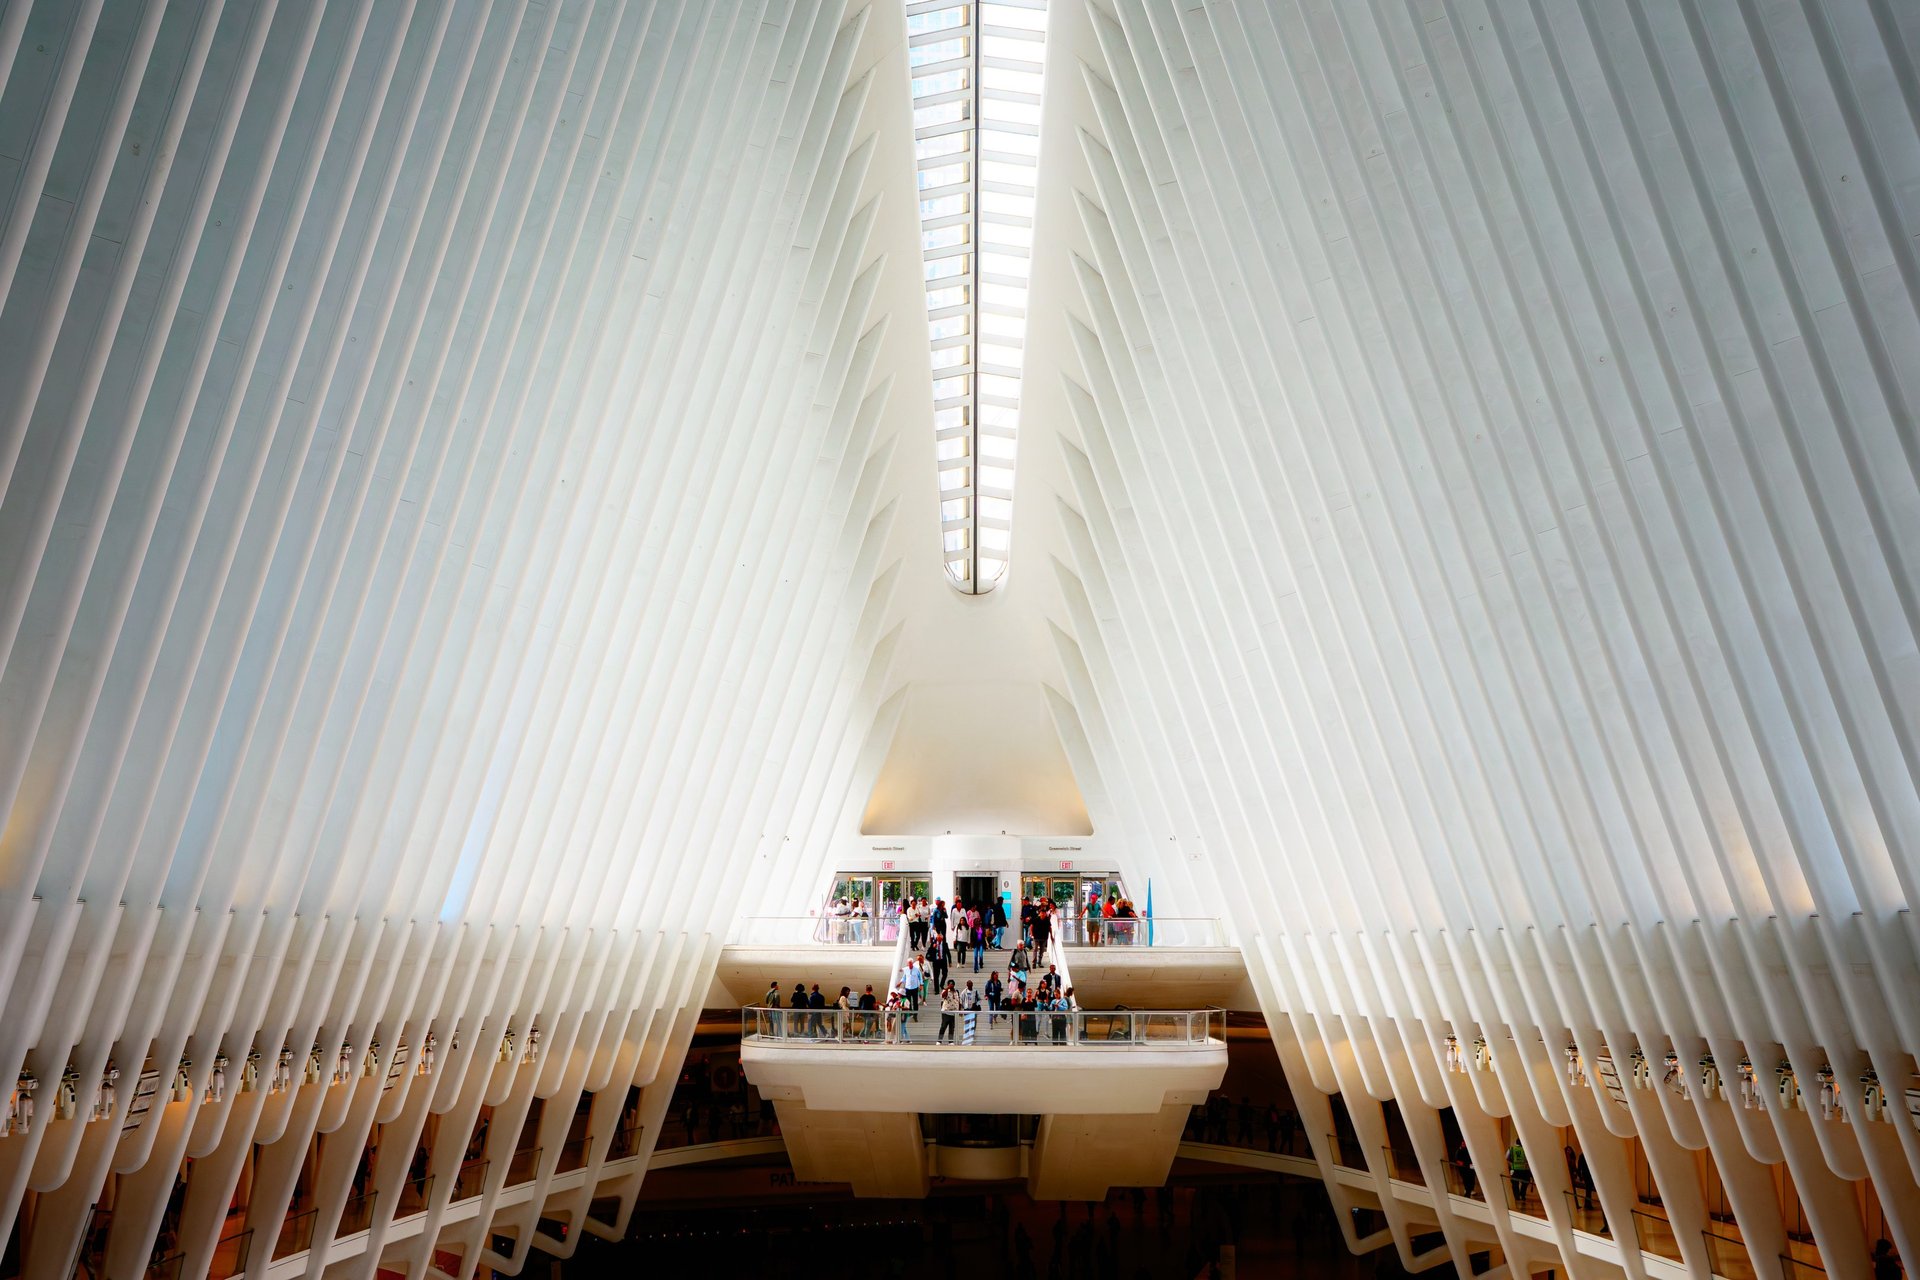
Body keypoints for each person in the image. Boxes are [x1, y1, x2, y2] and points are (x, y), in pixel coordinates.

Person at [1507, 1138, 1530, 1207]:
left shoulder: (1511, 1149)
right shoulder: (1526, 1149)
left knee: (1515, 1184)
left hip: (1515, 1169)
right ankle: (1522, 1195)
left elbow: (1507, 1158)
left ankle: (1516, 1196)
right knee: (1525, 1183)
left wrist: (1511, 1165)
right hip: (1525, 1169)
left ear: (1516, 1142)